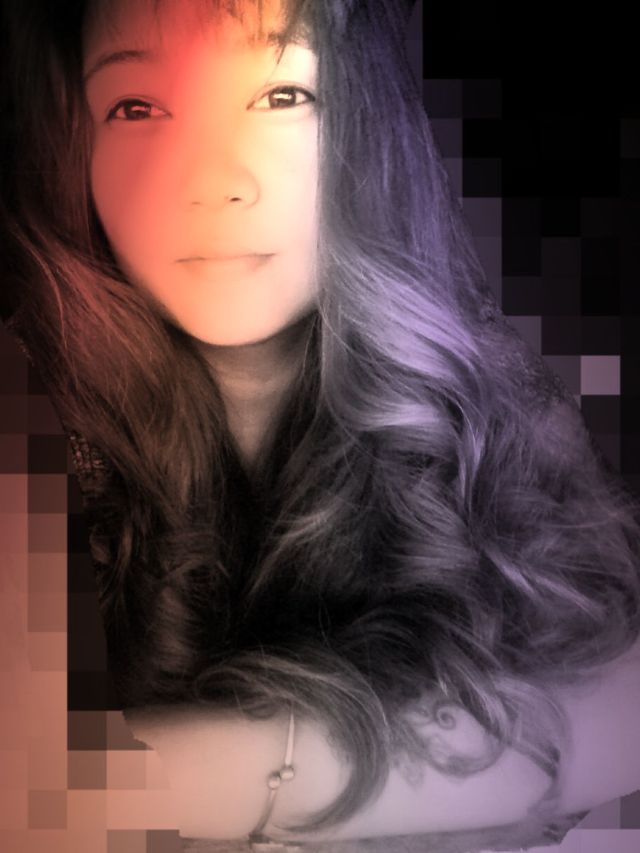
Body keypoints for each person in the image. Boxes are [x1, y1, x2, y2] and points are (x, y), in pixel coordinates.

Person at [1, 0, 640, 849]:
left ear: (365, 130)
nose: (214, 178)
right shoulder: (28, 433)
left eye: (279, 97)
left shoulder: (484, 413)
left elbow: (622, 718)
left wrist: (194, 773)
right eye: (137, 107)